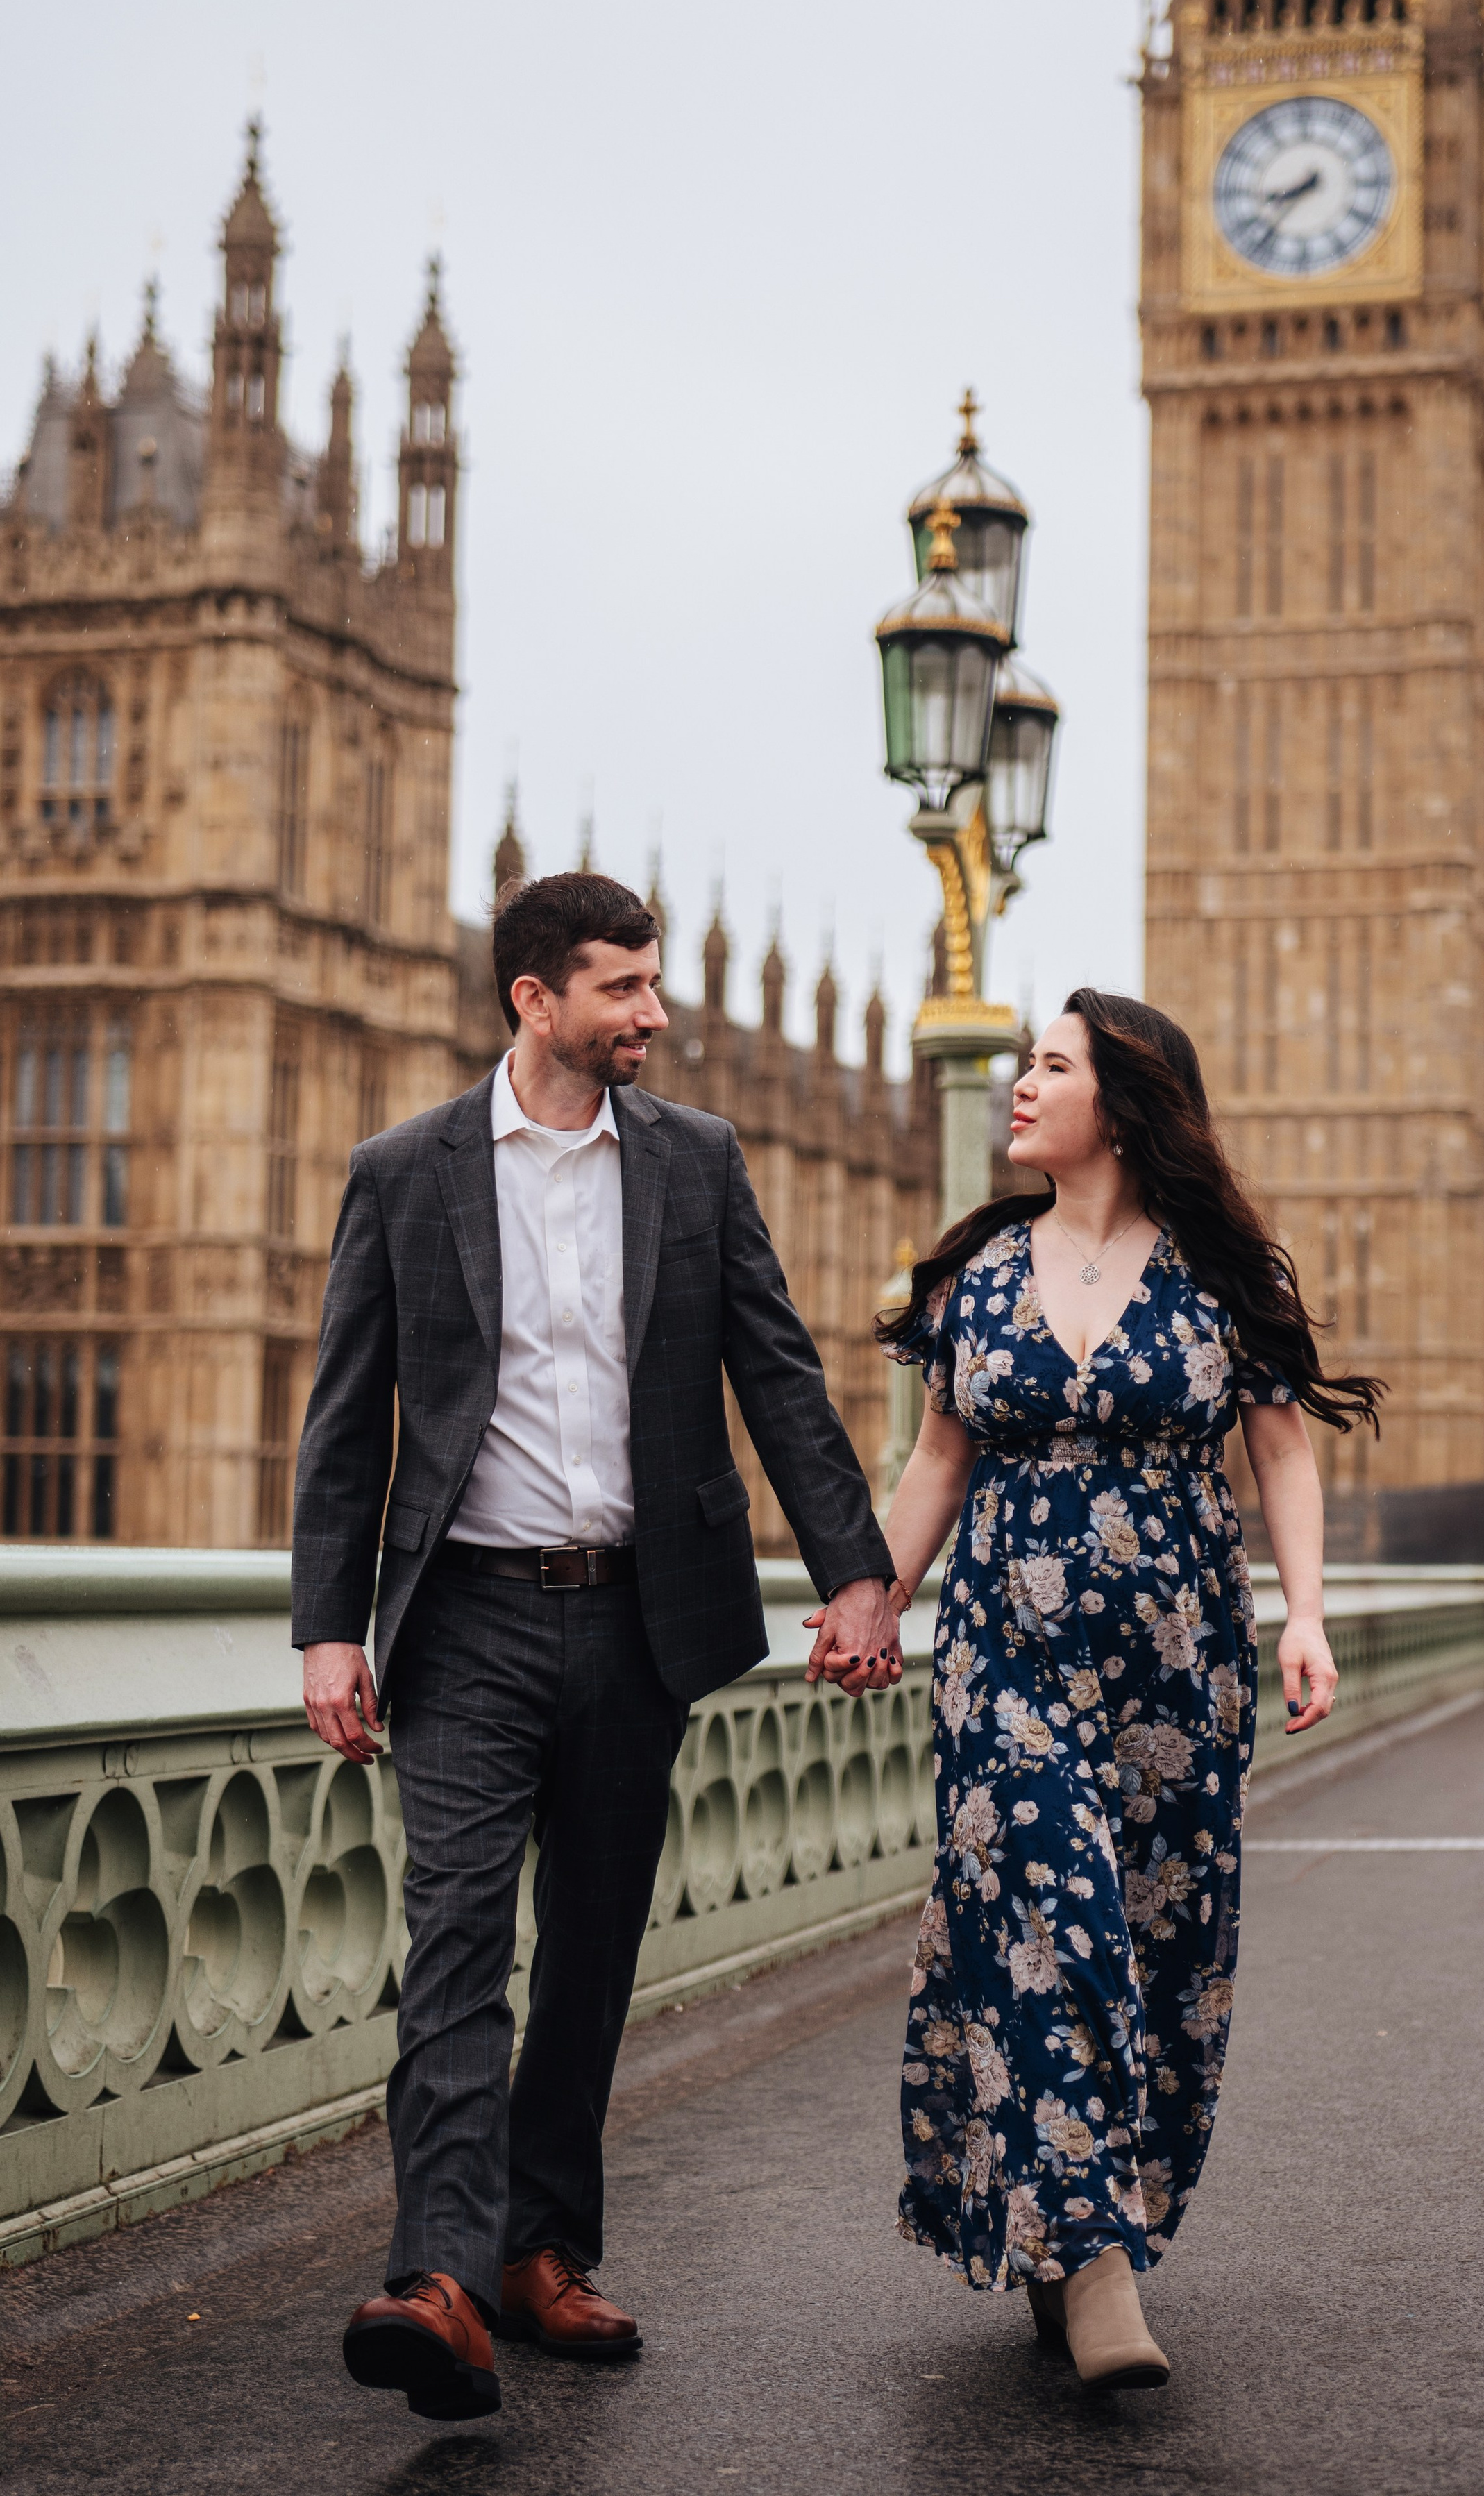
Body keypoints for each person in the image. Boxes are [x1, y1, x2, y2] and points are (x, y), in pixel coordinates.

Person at [292, 871, 898, 2421]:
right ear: (534, 1002)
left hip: (638, 1610)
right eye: (623, 989)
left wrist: (856, 1577)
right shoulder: (404, 1169)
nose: (653, 1013)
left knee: (587, 1958)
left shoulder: (695, 1159)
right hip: (468, 1613)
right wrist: (324, 1630)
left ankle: (536, 2249)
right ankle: (433, 2272)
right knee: (453, 1944)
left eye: (653, 984)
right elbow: (346, 1418)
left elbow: (777, 1372)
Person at [874, 990, 1382, 2394]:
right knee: (1054, 1920)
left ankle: (1069, 2222)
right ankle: (1096, 2269)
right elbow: (935, 1464)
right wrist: (872, 1596)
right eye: (1023, 1063)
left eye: (1050, 1067)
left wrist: (1305, 1620)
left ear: (1126, 1100)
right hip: (1005, 1656)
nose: (1020, 1088)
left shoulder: (1222, 1277)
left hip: (1174, 1659)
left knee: (1155, 1944)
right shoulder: (977, 1277)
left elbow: (1280, 1456)